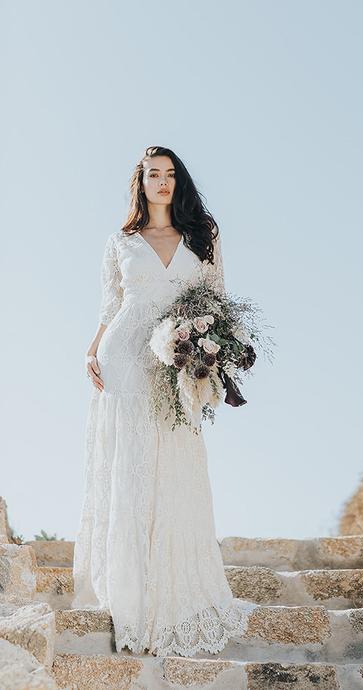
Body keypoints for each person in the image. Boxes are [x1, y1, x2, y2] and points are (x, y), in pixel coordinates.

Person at [71, 146, 251, 657]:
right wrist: (92, 348)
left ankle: (171, 594)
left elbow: (219, 301)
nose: (163, 182)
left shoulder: (204, 237)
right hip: (125, 358)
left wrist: (212, 349)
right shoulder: (120, 242)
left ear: (179, 181)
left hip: (177, 367)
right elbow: (112, 303)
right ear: (140, 184)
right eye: (153, 175)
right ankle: (130, 599)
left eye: (170, 174)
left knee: (174, 465)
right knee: (129, 471)